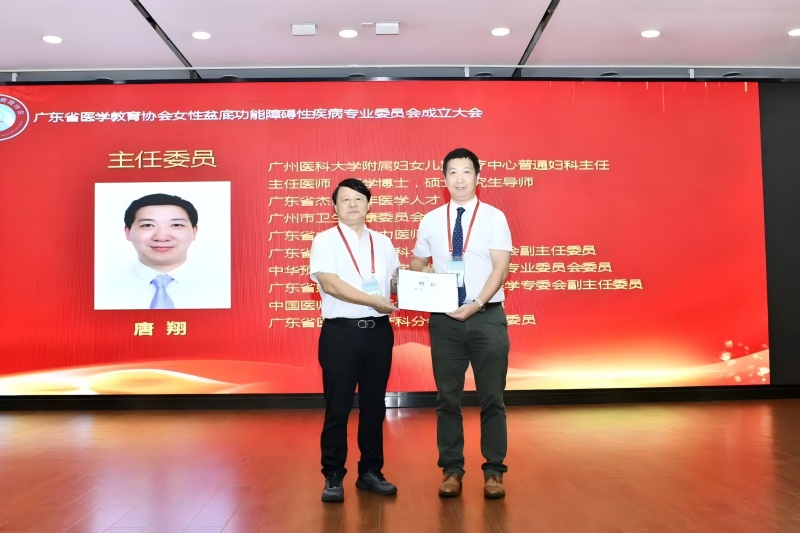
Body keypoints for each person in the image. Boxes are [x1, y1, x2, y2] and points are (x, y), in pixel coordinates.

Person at [409, 147, 513, 499]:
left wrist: (476, 303)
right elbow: (418, 260)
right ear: (444, 179)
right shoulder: (430, 219)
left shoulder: (494, 218)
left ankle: (494, 471)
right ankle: (452, 470)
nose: (460, 179)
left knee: (492, 398)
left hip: (486, 317)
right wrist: (419, 277)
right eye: (452, 172)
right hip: (445, 321)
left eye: (466, 172)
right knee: (447, 399)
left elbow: (501, 268)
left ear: (478, 177)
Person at [309, 178, 401, 503]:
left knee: (375, 407)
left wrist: (424, 284)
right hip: (341, 334)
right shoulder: (325, 240)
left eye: (358, 199)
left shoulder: (383, 242)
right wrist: (372, 300)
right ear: (334, 207)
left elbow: (395, 282)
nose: (352, 204)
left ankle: (370, 472)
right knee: (338, 407)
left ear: (368, 205)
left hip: (378, 333)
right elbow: (330, 284)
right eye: (345, 200)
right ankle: (333, 474)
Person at [94, 193, 230, 310]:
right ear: (128, 232)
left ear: (194, 232)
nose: (162, 237)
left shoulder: (224, 289)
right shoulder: (99, 289)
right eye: (147, 225)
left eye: (176, 225)